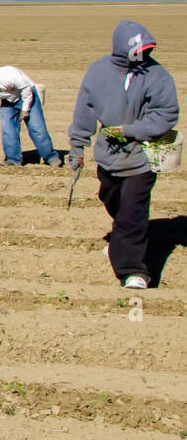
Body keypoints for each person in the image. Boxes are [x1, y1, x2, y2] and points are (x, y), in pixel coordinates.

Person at [68, 20, 179, 289]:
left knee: (132, 212)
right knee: (112, 200)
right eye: (137, 51)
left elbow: (166, 114)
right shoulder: (98, 72)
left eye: (146, 50)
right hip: (108, 154)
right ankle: (121, 241)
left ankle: (133, 271)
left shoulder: (157, 76)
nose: (143, 56)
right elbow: (84, 111)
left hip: (142, 155)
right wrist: (77, 148)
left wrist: (131, 130)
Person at [0, 66, 62, 166]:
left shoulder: (7, 77)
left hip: (27, 95)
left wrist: (25, 109)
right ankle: (13, 159)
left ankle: (50, 157)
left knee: (37, 128)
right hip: (8, 99)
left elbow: (26, 88)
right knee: (8, 130)